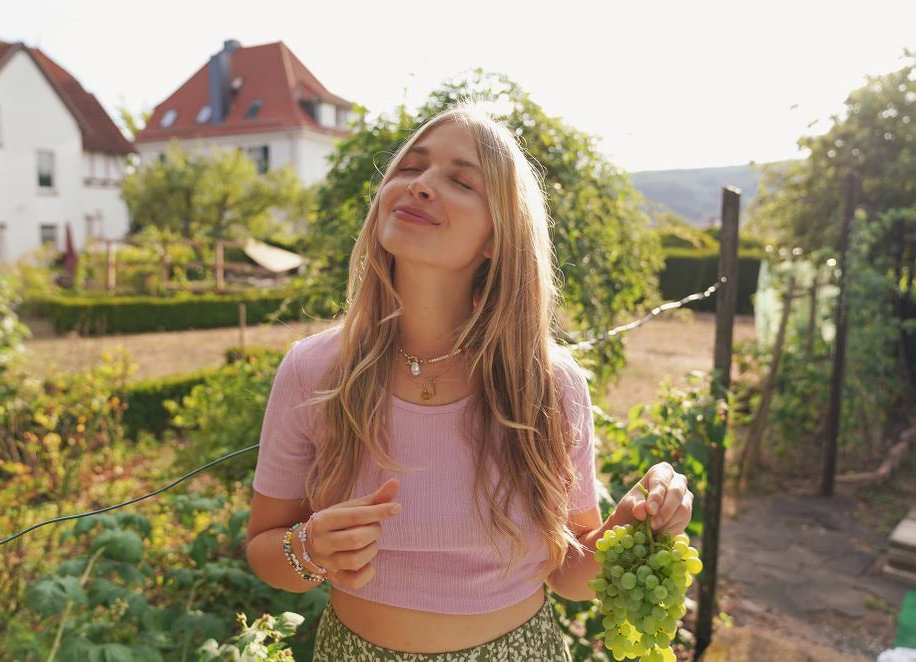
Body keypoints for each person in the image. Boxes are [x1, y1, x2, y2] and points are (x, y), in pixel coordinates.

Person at [245, 104, 694, 661]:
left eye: (460, 180)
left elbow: (571, 576)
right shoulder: (313, 370)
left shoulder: (547, 384)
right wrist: (308, 548)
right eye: (410, 168)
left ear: (496, 238)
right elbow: (265, 551)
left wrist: (634, 520)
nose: (422, 185)